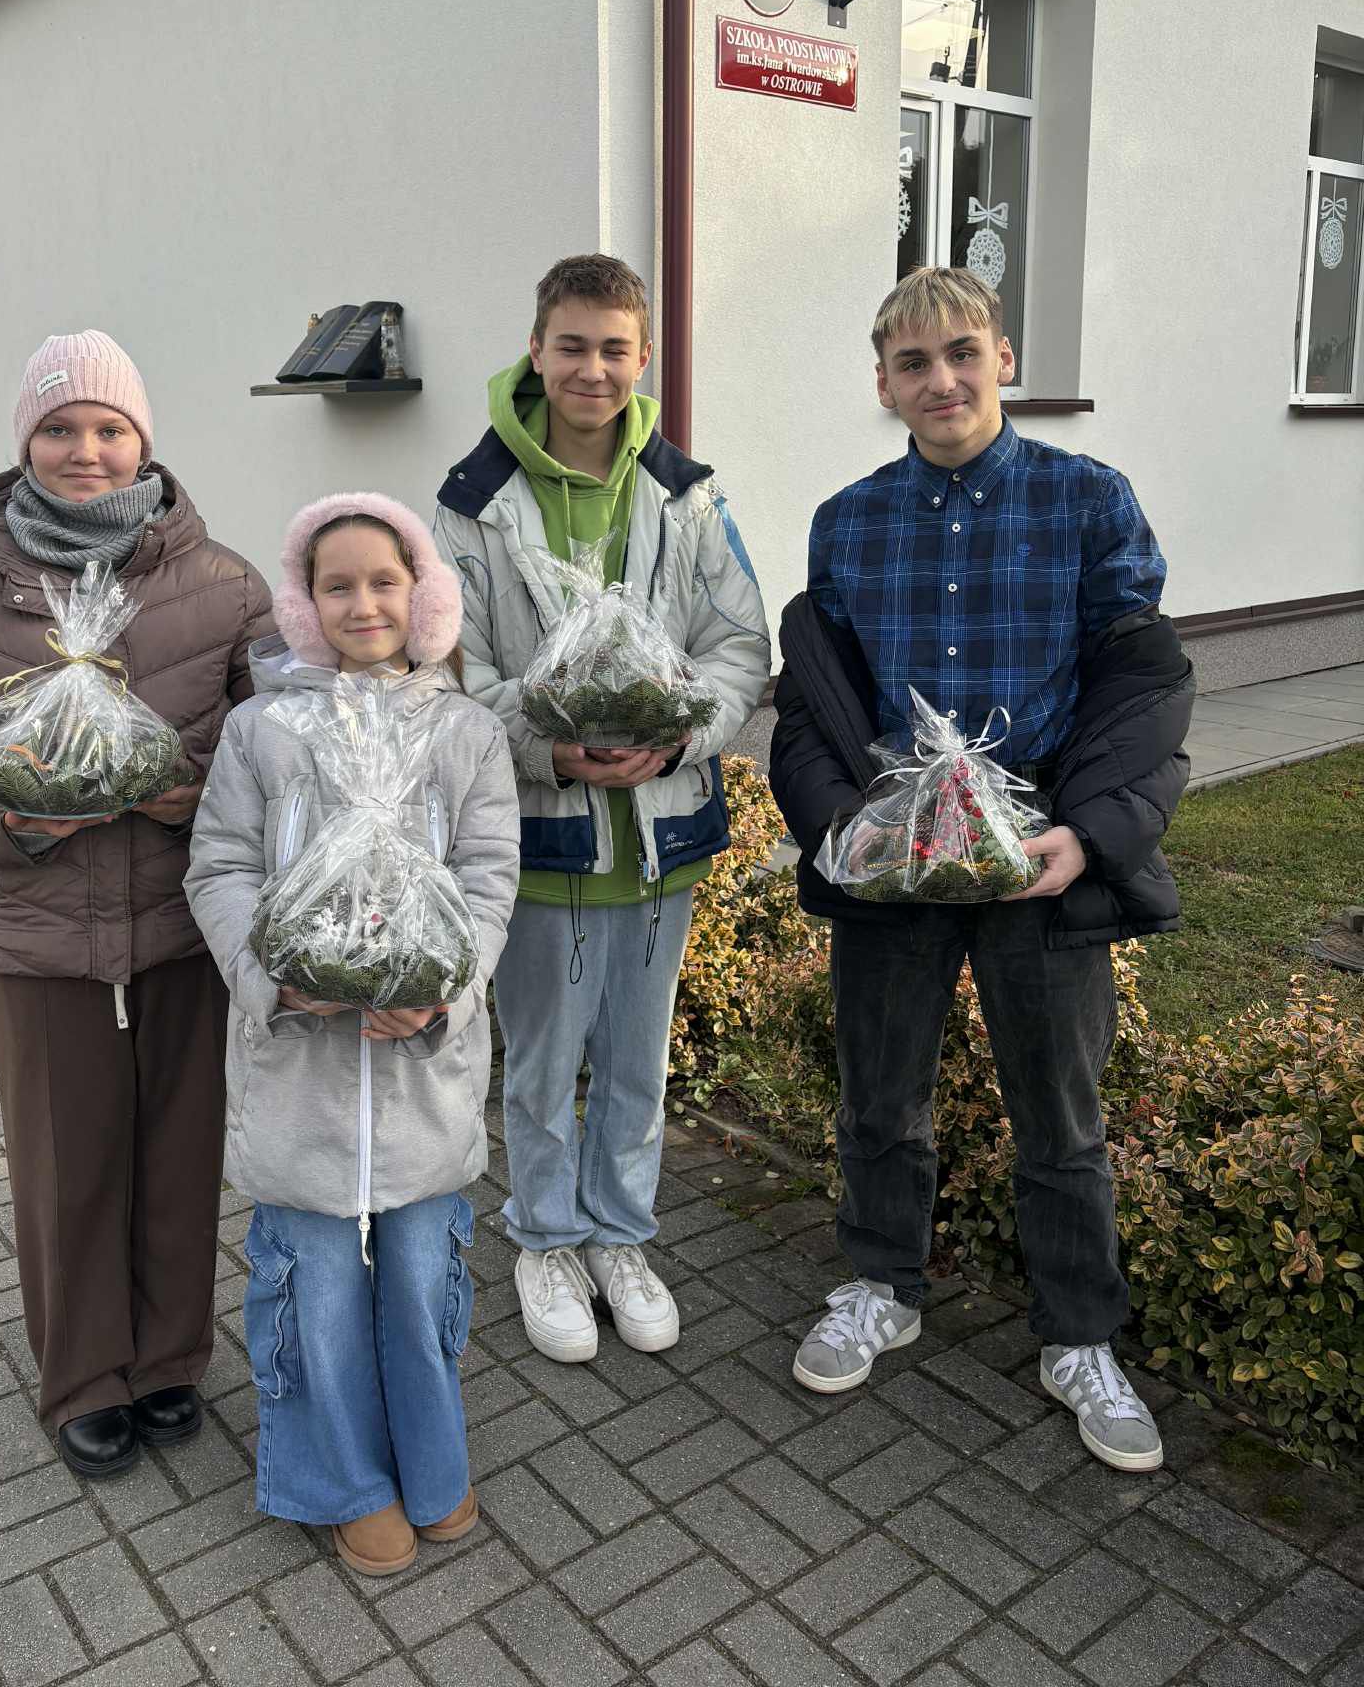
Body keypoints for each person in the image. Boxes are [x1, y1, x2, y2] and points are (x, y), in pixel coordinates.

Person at [770, 266, 1194, 1473]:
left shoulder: (1087, 499)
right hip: (896, 858)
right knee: (879, 1090)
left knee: (1060, 1111)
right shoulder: (849, 520)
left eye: (962, 352)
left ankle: (1080, 1335)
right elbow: (816, 702)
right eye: (913, 362)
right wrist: (839, 826)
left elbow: (1143, 683)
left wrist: (1092, 834)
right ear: (884, 382)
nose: (941, 379)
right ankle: (881, 1284)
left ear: (1004, 356)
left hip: (1037, 853)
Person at [0, 331, 272, 1477]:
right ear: (25, 443)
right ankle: (85, 1373)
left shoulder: (224, 581)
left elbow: (278, 745)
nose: (85, 448)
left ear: (143, 440)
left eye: (108, 427)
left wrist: (195, 797)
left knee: (180, 1154)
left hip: (184, 929)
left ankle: (170, 1356)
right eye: (58, 427)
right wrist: (7, 825)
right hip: (37, 938)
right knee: (66, 1163)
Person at [434, 254, 770, 1363]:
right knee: (541, 1063)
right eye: (570, 345)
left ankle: (621, 1234)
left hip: (662, 837)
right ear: (535, 350)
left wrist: (680, 735)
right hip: (543, 838)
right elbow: (453, 672)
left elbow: (738, 645)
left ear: (644, 357)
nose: (592, 368)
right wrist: (551, 751)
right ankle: (543, 1237)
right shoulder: (473, 505)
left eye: (614, 348)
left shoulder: (688, 494)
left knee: (637, 1061)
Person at [184, 493, 518, 1578]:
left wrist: (444, 991)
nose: (363, 602)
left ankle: (430, 1457)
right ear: (304, 603)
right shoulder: (262, 730)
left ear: (424, 595)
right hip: (297, 1069)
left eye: (385, 580)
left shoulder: (467, 732)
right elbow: (221, 866)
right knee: (313, 1281)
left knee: (424, 1273)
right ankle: (340, 1479)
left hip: (423, 1071)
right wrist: (273, 978)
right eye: (337, 585)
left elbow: (488, 879)